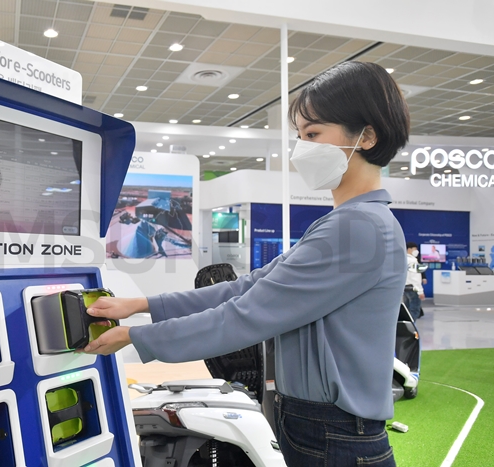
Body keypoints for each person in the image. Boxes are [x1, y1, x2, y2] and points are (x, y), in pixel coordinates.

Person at [82, 61, 409, 467]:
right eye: (300, 135)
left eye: (313, 134)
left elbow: (244, 316)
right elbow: (248, 286)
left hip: (332, 433)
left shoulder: (359, 227)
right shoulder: (350, 223)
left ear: (367, 135)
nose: (301, 148)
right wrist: (142, 305)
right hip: (319, 427)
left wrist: (135, 337)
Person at [405, 242, 426, 319]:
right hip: (413, 288)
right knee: (414, 310)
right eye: (415, 249)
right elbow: (416, 277)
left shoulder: (404, 259)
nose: (416, 251)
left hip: (405, 287)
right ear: (409, 249)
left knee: (407, 309)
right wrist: (420, 291)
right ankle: (411, 328)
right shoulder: (413, 261)